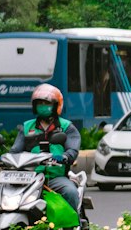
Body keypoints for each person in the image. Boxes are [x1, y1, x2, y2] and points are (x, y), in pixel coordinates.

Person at [11, 84, 81, 216]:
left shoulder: (67, 127)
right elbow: (15, 151)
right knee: (0, 193)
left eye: (46, 103)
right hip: (29, 178)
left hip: (55, 177)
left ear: (56, 106)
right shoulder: (27, 127)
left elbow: (72, 150)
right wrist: (5, 159)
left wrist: (64, 157)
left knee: (70, 192)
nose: (43, 106)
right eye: (40, 103)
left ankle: (70, 227)